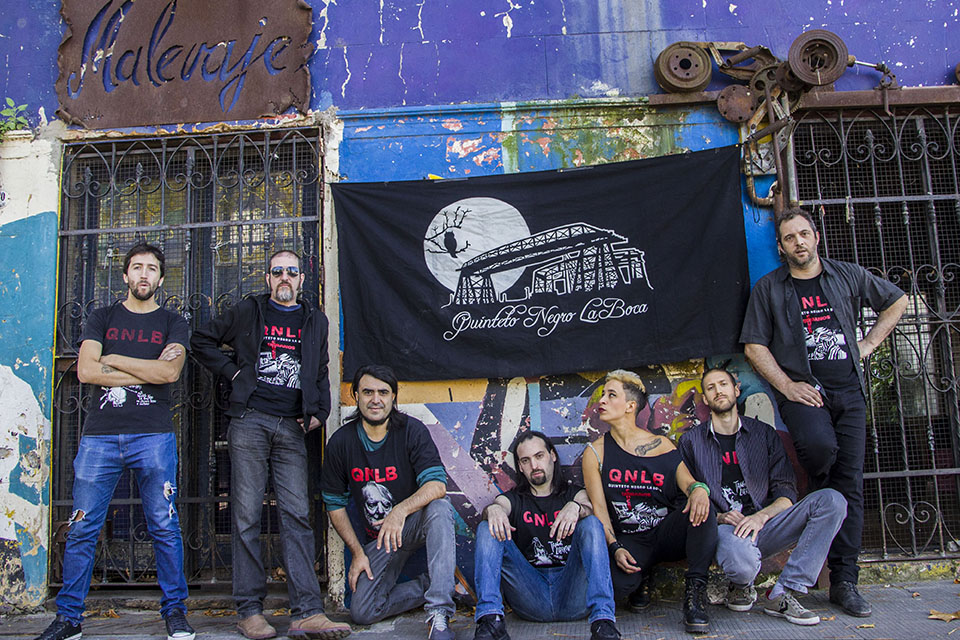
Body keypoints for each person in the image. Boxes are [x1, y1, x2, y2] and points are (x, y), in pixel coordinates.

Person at [741, 207, 908, 618]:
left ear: (816, 236)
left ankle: (844, 580)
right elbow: (754, 345)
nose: (798, 242)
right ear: (780, 247)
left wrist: (867, 345)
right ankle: (822, 498)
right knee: (819, 452)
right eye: (789, 238)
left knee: (849, 480)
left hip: (849, 390)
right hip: (803, 394)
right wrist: (787, 386)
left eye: (804, 234)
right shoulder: (769, 289)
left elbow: (897, 301)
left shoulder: (847, 275)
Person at [37, 244, 195, 640]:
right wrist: (147, 368)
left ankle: (174, 613)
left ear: (161, 278)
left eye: (152, 269)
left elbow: (170, 373)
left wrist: (117, 357)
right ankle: (69, 618)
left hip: (153, 436)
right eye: (137, 267)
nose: (144, 274)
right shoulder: (101, 316)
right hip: (100, 439)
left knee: (164, 524)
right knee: (82, 527)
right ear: (125, 275)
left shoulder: (173, 323)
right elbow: (87, 371)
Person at [191, 250, 348, 640]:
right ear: (267, 278)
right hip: (250, 421)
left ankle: (307, 612)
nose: (284, 278)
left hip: (293, 428)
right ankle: (249, 611)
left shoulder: (315, 320)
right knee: (245, 515)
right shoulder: (249, 311)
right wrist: (234, 372)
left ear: (301, 279)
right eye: (277, 271)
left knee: (296, 514)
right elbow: (201, 340)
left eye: (291, 272)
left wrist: (321, 411)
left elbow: (321, 370)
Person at [679, 367, 847, 626]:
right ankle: (741, 585)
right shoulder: (691, 442)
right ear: (705, 399)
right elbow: (683, 497)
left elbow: (786, 492)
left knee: (833, 501)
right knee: (742, 563)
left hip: (766, 525)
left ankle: (783, 591)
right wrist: (720, 516)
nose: (718, 391)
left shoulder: (764, 434)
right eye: (710, 387)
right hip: (724, 529)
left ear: (736, 390)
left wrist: (760, 517)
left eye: (723, 384)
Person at [320, 365, 457, 640]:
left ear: (394, 397)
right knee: (362, 612)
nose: (375, 399)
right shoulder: (341, 443)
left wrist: (400, 511)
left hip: (411, 527)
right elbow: (334, 505)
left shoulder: (411, 431)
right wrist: (358, 553)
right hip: (379, 541)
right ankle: (431, 585)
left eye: (383, 392)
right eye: (368, 392)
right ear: (355, 395)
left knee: (440, 509)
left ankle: (439, 612)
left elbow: (437, 485)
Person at [582, 370, 717, 635]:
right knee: (619, 587)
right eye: (602, 395)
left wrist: (700, 490)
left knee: (703, 508)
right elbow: (600, 511)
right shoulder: (595, 453)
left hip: (667, 533)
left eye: (611, 395)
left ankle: (695, 593)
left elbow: (689, 484)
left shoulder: (661, 445)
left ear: (630, 406)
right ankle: (643, 574)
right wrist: (615, 548)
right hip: (631, 540)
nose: (603, 401)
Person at [473, 431, 620, 640]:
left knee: (592, 524)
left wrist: (576, 508)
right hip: (530, 594)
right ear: (521, 467)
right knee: (487, 527)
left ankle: (603, 623)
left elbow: (589, 506)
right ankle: (490, 621)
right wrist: (493, 510)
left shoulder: (572, 494)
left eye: (539, 456)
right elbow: (499, 506)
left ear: (552, 455)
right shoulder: (515, 499)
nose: (534, 465)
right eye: (526, 460)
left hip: (573, 592)